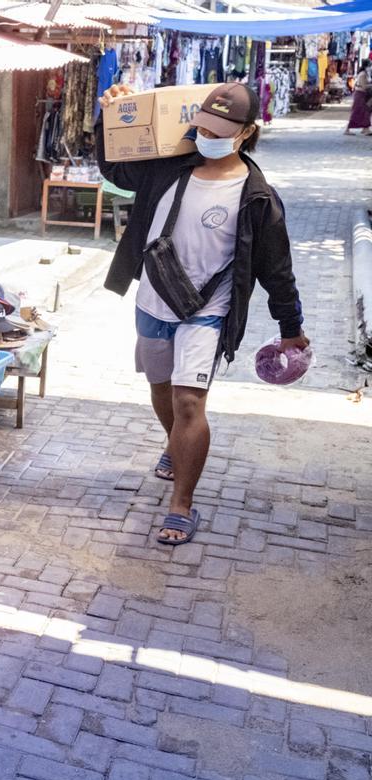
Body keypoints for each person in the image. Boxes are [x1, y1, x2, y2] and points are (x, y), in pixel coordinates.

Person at [97, 82, 308, 546]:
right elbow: (113, 167)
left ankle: (181, 505)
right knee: (160, 390)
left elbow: (277, 269)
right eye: (202, 127)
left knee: (189, 401)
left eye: (219, 131)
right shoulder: (166, 170)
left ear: (246, 133)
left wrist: (291, 328)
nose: (207, 136)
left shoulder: (257, 197)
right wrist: (108, 116)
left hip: (209, 311)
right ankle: (177, 446)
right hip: (154, 299)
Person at [345, 59, 371, 136]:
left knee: (365, 112)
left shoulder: (366, 74)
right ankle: (347, 129)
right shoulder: (363, 74)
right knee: (357, 112)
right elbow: (364, 86)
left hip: (364, 95)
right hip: (360, 94)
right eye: (369, 65)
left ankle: (365, 128)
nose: (370, 67)